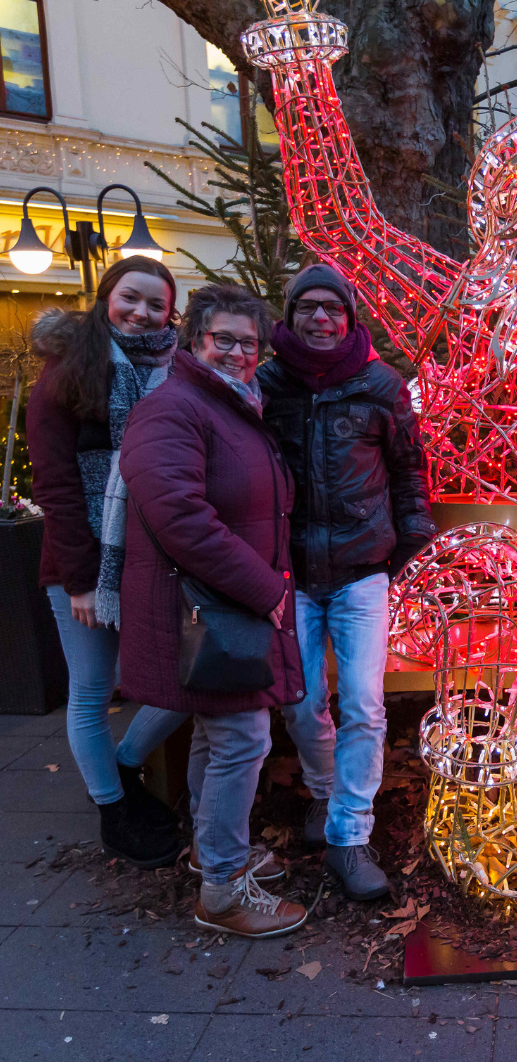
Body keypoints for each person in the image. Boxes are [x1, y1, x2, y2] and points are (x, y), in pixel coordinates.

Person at [119, 283, 307, 937]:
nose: (236, 351)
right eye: (222, 338)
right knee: (242, 739)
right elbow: (181, 518)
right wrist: (268, 590)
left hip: (220, 606)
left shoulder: (231, 406)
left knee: (215, 735)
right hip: (205, 609)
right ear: (195, 340)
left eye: (247, 343)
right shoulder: (173, 409)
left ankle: (211, 853)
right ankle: (223, 892)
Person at [258, 263, 436, 902]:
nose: (321, 318)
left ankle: (349, 836)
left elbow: (408, 466)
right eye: (307, 306)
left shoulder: (380, 384)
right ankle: (325, 791)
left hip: (363, 568)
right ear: (291, 314)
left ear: (350, 317)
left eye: (333, 307)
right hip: (292, 572)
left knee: (362, 703)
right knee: (301, 703)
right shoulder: (266, 383)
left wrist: (408, 542)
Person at [26, 256, 187, 869]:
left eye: (156, 303)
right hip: (85, 561)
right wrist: (82, 580)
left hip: (157, 559)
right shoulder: (70, 371)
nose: (143, 312)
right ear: (106, 297)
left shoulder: (177, 370)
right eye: (131, 298)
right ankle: (113, 810)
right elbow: (57, 485)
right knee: (91, 691)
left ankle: (122, 765)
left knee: (187, 681)